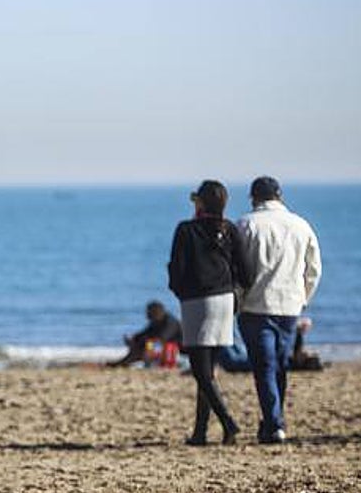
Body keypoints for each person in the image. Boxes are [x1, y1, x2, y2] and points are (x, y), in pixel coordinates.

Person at [167, 181, 255, 446]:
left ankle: (229, 422)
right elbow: (246, 272)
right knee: (209, 370)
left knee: (200, 371)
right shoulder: (230, 230)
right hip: (225, 300)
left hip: (197, 301)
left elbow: (177, 269)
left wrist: (180, 291)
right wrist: (235, 292)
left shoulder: (186, 230)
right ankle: (200, 432)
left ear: (201, 203)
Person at [236, 177, 323, 444]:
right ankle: (274, 420)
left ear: (253, 197)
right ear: (280, 196)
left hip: (255, 306)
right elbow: (314, 269)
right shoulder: (301, 225)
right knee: (279, 365)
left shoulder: (245, 224)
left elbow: (237, 270)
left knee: (264, 366)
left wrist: (238, 301)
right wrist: (303, 298)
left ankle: (274, 423)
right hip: (288, 305)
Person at [105, 301, 183, 368]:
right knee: (143, 343)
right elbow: (146, 332)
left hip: (174, 349)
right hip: (161, 347)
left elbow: (162, 338)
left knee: (149, 344)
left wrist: (143, 342)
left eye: (148, 312)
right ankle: (124, 362)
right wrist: (134, 338)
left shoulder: (170, 322)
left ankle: (143, 362)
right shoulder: (156, 321)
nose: (147, 314)